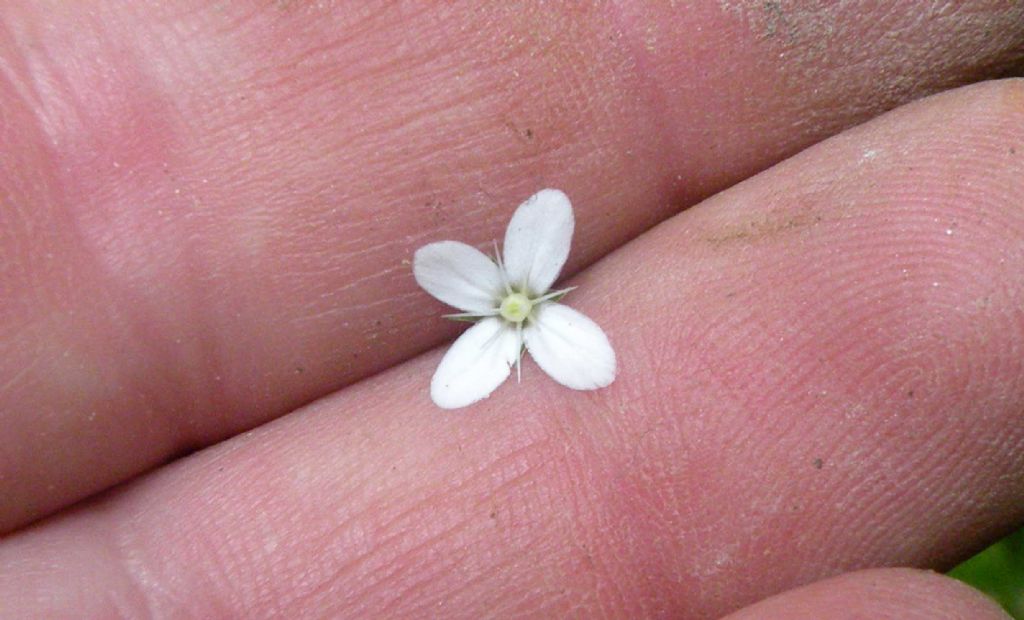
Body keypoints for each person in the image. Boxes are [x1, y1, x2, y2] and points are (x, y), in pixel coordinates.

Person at [0, 3, 1022, 618]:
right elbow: (478, 303)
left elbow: (532, 295)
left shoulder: (535, 294)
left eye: (526, 292)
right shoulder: (490, 297)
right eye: (517, 293)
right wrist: (503, 315)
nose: (525, 296)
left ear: (533, 287)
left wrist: (522, 312)